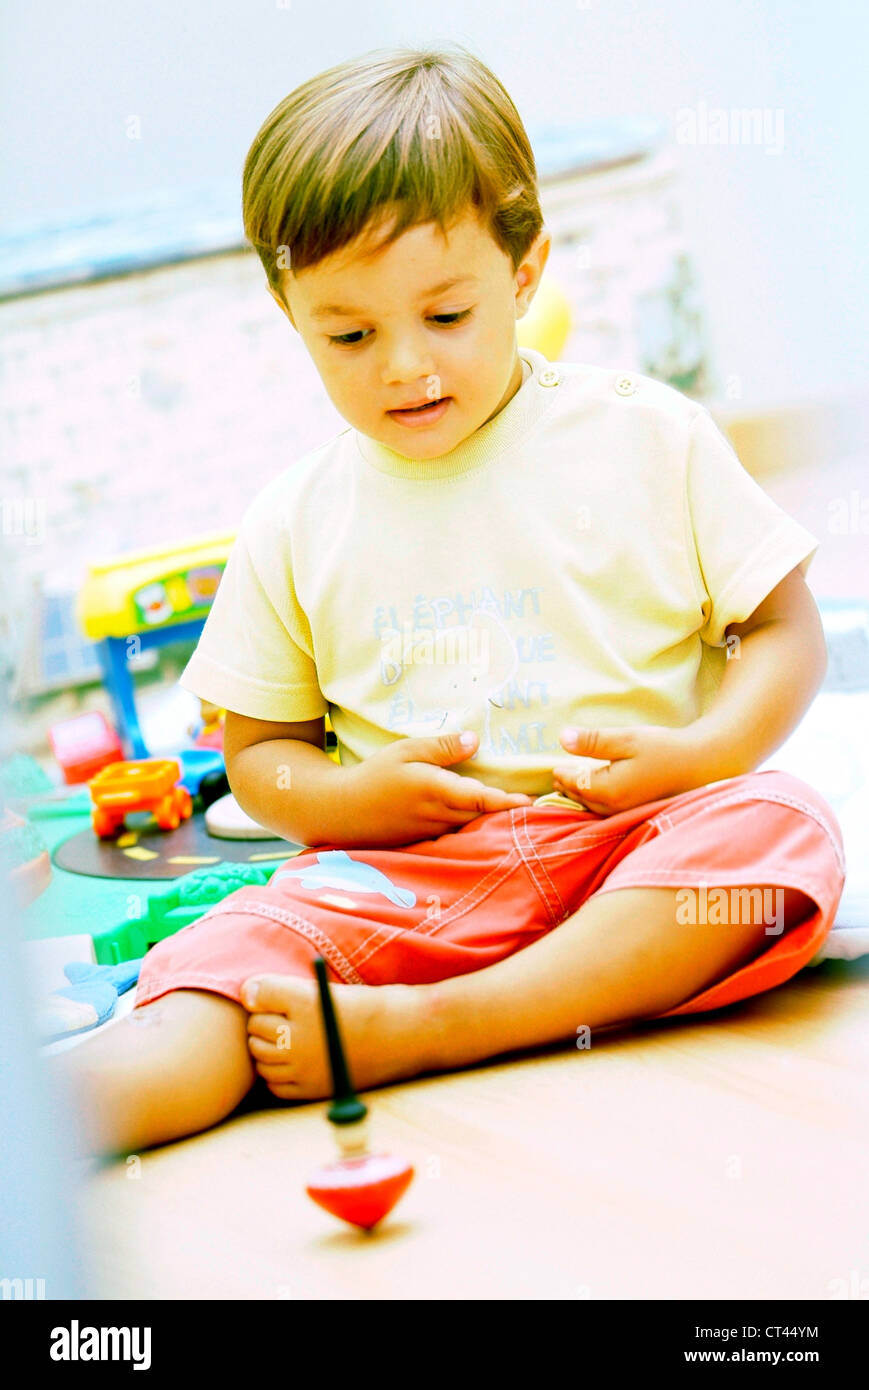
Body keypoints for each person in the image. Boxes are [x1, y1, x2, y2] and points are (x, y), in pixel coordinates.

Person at [54, 45, 845, 1156]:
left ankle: (435, 1026)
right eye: (348, 334)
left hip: (628, 842)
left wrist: (702, 751)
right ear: (289, 309)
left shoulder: (644, 432)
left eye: (444, 314)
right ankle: (40, 1131)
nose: (401, 367)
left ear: (523, 271)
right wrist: (351, 798)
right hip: (406, 879)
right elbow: (261, 756)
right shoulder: (294, 516)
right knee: (225, 959)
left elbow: (780, 630)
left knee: (775, 832)